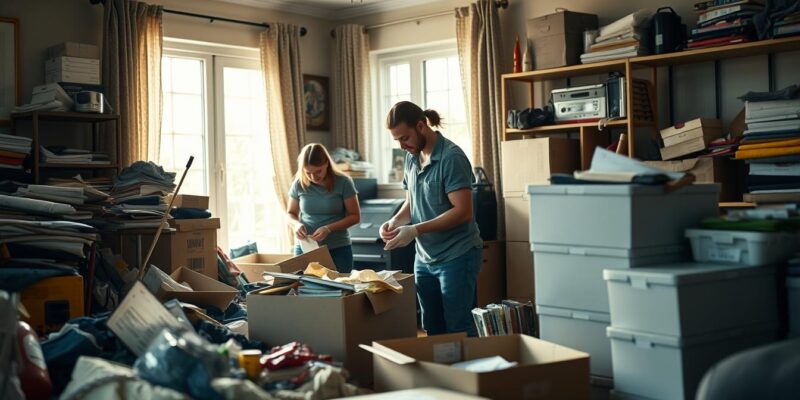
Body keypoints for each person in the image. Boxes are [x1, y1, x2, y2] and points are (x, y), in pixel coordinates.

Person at [380, 101, 483, 337]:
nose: (401, 145)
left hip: (457, 255)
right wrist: (395, 222)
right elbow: (411, 202)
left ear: (421, 126)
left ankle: (467, 375)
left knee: (458, 327)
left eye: (404, 138)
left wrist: (415, 230)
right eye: (396, 140)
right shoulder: (411, 157)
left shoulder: (451, 158)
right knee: (431, 327)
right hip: (425, 258)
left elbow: (463, 211)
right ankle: (439, 374)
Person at [287, 143, 361, 272]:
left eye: (318, 171)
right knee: (302, 288)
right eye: (308, 172)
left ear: (327, 163)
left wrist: (328, 228)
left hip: (338, 248)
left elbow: (355, 216)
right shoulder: (298, 184)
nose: (313, 177)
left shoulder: (344, 182)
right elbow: (291, 213)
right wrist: (296, 225)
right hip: (306, 247)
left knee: (341, 288)